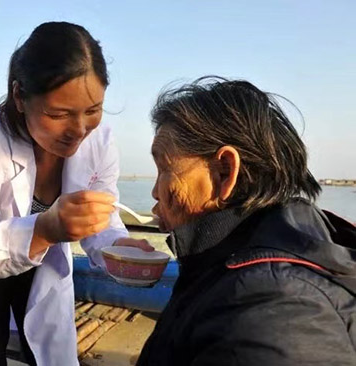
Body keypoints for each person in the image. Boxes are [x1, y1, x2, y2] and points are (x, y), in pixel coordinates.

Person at [0, 22, 152, 366]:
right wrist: (45, 229)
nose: (78, 131)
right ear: (19, 96)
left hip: (41, 266)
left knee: (48, 353)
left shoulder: (100, 141)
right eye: (58, 114)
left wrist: (116, 245)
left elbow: (102, 213)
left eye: (92, 110)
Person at [137, 76, 356, 366]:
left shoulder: (274, 310)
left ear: (224, 172)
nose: (155, 192)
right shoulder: (249, 255)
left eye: (164, 168)